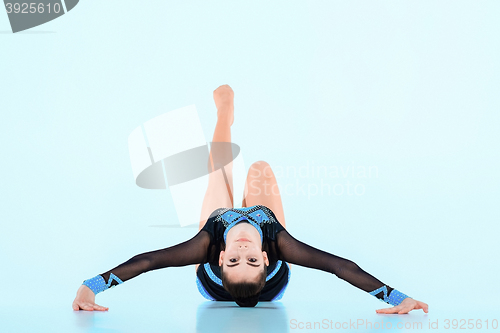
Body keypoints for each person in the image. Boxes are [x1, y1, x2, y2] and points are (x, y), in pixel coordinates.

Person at [72, 85, 429, 313]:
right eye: (251, 260)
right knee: (259, 168)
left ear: (221, 258)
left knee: (217, 170)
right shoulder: (279, 242)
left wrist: (90, 287)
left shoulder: (207, 245)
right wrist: (397, 298)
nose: (243, 251)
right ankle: (231, 134)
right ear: (266, 257)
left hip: (214, 290)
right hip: (270, 292)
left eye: (235, 260)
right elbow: (340, 267)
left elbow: (149, 261)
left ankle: (223, 117)